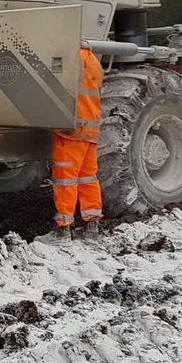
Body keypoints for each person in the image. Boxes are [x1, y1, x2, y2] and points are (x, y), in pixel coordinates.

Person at [37, 43, 104, 246]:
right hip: (91, 129)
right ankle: (91, 228)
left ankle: (63, 230)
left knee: (65, 179)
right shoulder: (93, 61)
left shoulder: (68, 58)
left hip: (70, 130)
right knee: (88, 178)